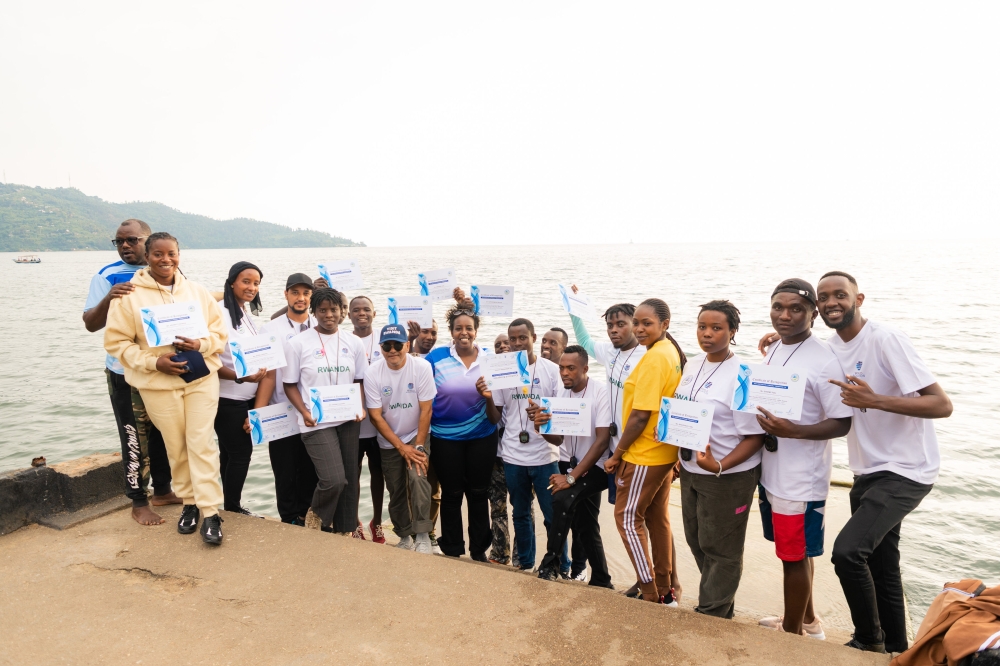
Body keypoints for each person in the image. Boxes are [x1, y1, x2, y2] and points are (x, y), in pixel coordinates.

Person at [817, 272, 952, 654]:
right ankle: (897, 647)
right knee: (881, 564)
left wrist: (875, 401)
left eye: (840, 295)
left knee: (847, 553)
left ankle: (868, 641)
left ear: (859, 299)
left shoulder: (885, 339)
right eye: (823, 297)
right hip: (867, 470)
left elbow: (941, 404)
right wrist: (777, 343)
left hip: (908, 469)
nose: (832, 302)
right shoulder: (828, 349)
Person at [104, 232, 229, 544]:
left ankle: (211, 511)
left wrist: (201, 343)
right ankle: (189, 503)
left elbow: (219, 334)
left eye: (171, 253)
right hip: (158, 384)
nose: (165, 260)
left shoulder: (197, 292)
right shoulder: (129, 296)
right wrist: (153, 363)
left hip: (199, 378)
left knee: (201, 442)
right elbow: (117, 343)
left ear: (179, 254)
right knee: (176, 444)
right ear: (147, 256)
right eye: (158, 254)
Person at [752, 279, 853, 639]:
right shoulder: (778, 346)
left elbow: (842, 422)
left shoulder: (825, 360)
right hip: (774, 470)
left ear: (813, 313)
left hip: (801, 477)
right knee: (794, 552)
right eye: (778, 307)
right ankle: (808, 622)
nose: (785, 315)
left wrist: (794, 431)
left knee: (794, 556)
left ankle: (792, 634)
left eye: (796, 309)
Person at [83, 218, 178, 525]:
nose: (125, 245)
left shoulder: (167, 273)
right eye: (119, 241)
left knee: (163, 431)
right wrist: (110, 298)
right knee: (134, 435)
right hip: (123, 371)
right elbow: (90, 324)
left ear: (149, 243)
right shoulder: (107, 275)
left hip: (159, 369)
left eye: (132, 240)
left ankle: (163, 489)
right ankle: (138, 500)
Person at [676, 300, 765, 618]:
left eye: (716, 328)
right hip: (690, 468)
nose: (707, 333)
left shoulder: (742, 374)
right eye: (702, 326)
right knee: (697, 540)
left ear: (733, 332)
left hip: (728, 475)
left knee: (722, 548)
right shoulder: (692, 365)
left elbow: (756, 436)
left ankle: (713, 613)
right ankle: (719, 602)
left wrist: (720, 465)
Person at [603, 298, 686, 604]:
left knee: (626, 519)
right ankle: (667, 589)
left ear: (665, 324)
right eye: (636, 322)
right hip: (663, 453)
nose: (639, 329)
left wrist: (617, 454)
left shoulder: (654, 358)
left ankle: (650, 591)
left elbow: (640, 414)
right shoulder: (669, 351)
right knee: (656, 519)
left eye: (646, 323)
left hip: (644, 454)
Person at [283, 287, 368, 534]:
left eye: (334, 309)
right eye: (322, 310)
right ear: (314, 312)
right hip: (315, 421)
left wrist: (360, 407)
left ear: (342, 312)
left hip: (348, 418)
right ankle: (316, 515)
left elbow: (359, 380)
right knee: (333, 479)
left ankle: (346, 531)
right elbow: (289, 385)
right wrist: (304, 412)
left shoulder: (353, 342)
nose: (328, 314)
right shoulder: (298, 343)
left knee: (350, 479)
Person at [482, 318, 561, 572]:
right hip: (513, 456)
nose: (517, 343)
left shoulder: (551, 370)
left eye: (522, 338)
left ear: (534, 338)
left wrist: (544, 417)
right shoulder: (503, 370)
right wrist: (487, 397)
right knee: (521, 514)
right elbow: (495, 417)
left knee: (553, 516)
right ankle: (525, 563)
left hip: (545, 455)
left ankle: (560, 565)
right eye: (512, 339)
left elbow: (561, 415)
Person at [532, 345, 613, 588]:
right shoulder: (560, 391)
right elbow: (557, 439)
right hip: (569, 461)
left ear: (585, 369)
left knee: (562, 499)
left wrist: (570, 479)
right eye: (561, 368)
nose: (564, 373)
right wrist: (540, 427)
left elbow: (602, 442)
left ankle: (550, 565)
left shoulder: (601, 392)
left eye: (571, 368)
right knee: (587, 524)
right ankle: (601, 579)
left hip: (596, 465)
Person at [425, 304, 500, 560]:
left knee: (479, 493)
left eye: (469, 328)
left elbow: (504, 397)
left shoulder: (490, 358)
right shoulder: (435, 358)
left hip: (483, 436)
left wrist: (488, 394)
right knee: (452, 493)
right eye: (459, 328)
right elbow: (419, 390)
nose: (464, 333)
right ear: (451, 332)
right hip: (445, 438)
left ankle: (479, 550)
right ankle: (453, 548)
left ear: (476, 331)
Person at [250, 273, 318, 525]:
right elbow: (268, 375)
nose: (301, 298)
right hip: (280, 409)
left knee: (311, 467)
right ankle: (289, 518)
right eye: (295, 292)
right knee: (285, 469)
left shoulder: (320, 325)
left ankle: (308, 514)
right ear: (286, 294)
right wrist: (257, 412)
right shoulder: (271, 329)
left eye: (306, 293)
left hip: (314, 411)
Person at [364, 324, 438, 553]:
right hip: (389, 439)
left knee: (418, 478)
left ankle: (423, 534)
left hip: (417, 433)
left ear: (407, 345)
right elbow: (375, 417)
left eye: (398, 344)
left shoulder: (422, 367)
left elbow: (426, 410)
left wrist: (416, 446)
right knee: (395, 487)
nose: (393, 350)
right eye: (387, 345)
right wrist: (400, 447)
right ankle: (404, 534)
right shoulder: (372, 372)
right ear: (381, 347)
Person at [215, 261, 268, 516]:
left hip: (246, 398)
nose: (252, 287)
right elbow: (208, 360)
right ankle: (233, 508)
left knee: (228, 453)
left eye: (256, 283)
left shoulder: (244, 312)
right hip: (227, 398)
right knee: (240, 454)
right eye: (246, 281)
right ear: (232, 281)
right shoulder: (218, 312)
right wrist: (240, 378)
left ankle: (228, 505)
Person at [349, 295, 386, 542]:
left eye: (366, 309)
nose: (362, 313)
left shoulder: (384, 342)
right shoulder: (343, 341)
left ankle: (378, 522)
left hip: (379, 421)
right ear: (348, 314)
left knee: (378, 474)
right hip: (352, 420)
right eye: (356, 310)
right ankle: (354, 522)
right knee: (352, 475)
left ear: (374, 313)